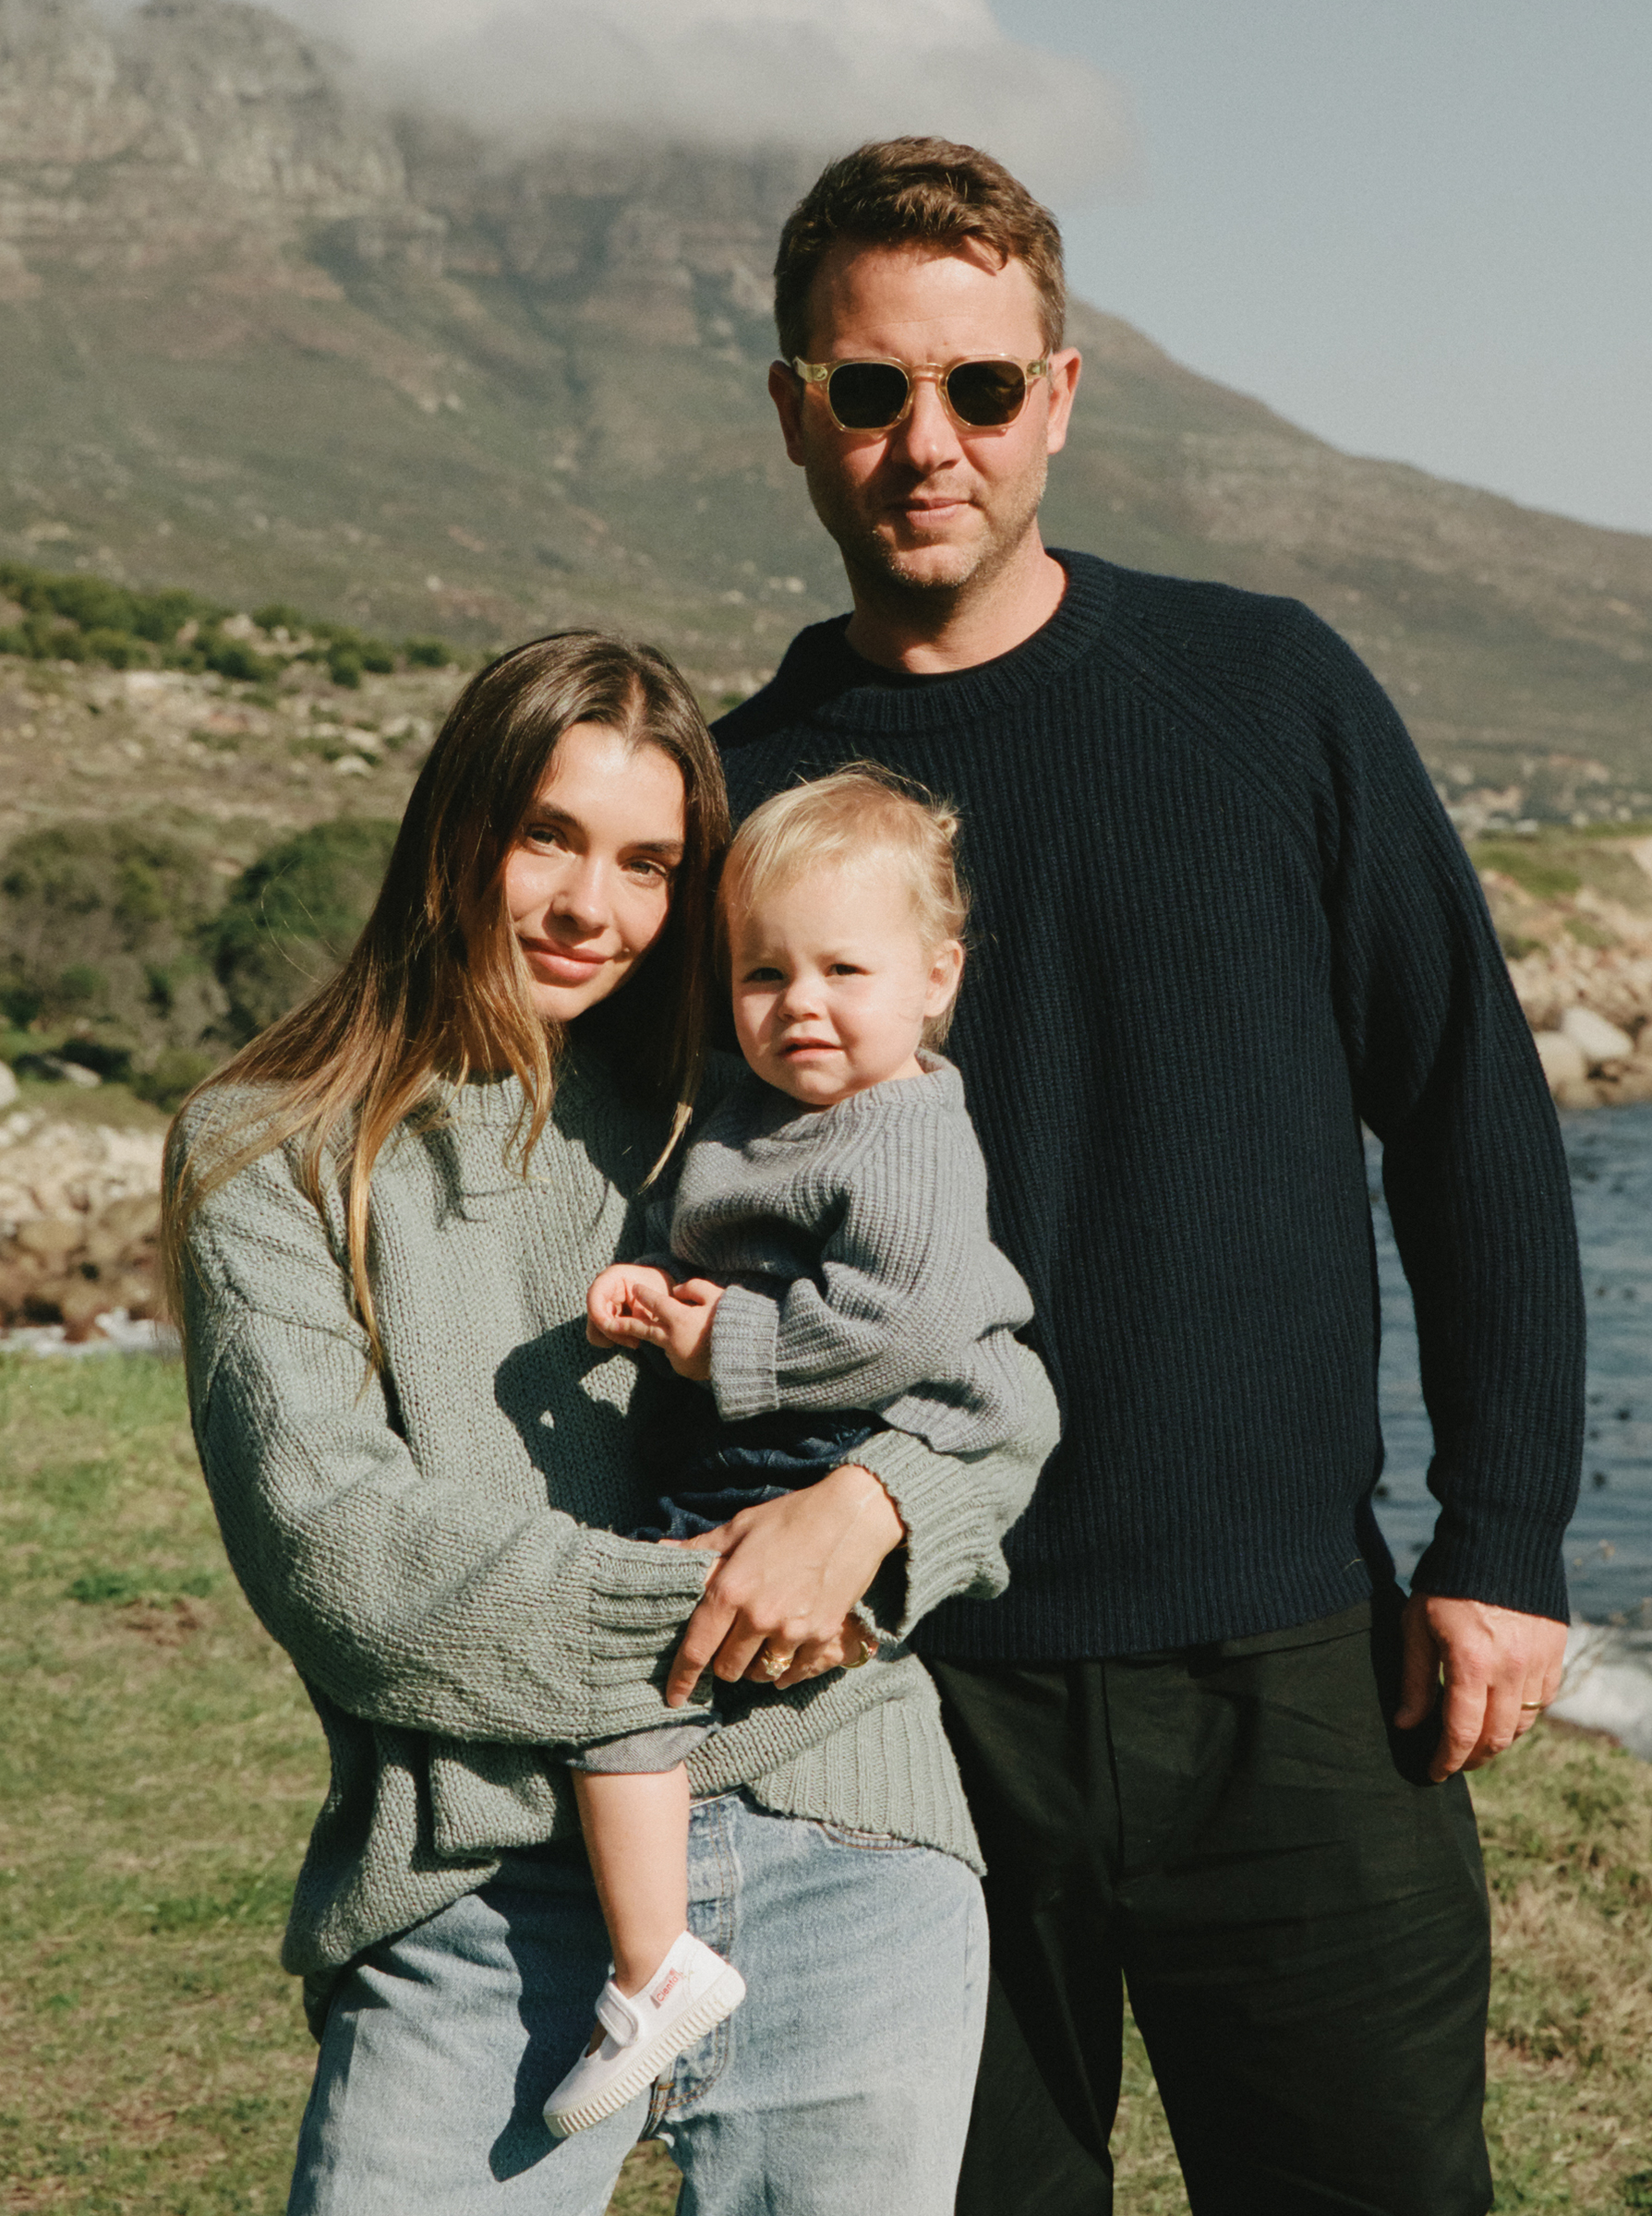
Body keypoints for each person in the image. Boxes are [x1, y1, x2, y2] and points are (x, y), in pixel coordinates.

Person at [713, 138, 1585, 2216]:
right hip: (891, 1704)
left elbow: (1467, 1102)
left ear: (1062, 394)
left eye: (981, 387)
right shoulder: (732, 795)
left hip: (1287, 1673)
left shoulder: (1265, 693)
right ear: (793, 414)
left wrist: (1508, 1530)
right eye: (868, 391)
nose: (927, 442)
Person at [162, 631, 1058, 2215]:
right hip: (478, 1881)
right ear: (458, 829)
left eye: (651, 863)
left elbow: (1001, 1395)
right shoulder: (264, 1155)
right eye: (548, 839)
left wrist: (869, 1515)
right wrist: (752, 1600)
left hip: (843, 1837)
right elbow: (343, 1557)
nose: (594, 908)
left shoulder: (745, 1112)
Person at [546, 765, 1047, 2138]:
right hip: (750, 1424)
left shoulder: (900, 1129)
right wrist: (647, 1293)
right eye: (763, 973)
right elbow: (714, 1250)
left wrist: (727, 1352)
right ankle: (658, 1957)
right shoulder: (750, 1107)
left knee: (619, 1682)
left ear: (936, 981)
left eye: (843, 968)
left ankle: (656, 1972)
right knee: (654, 1666)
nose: (799, 1004)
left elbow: (905, 1324)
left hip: (812, 1436)